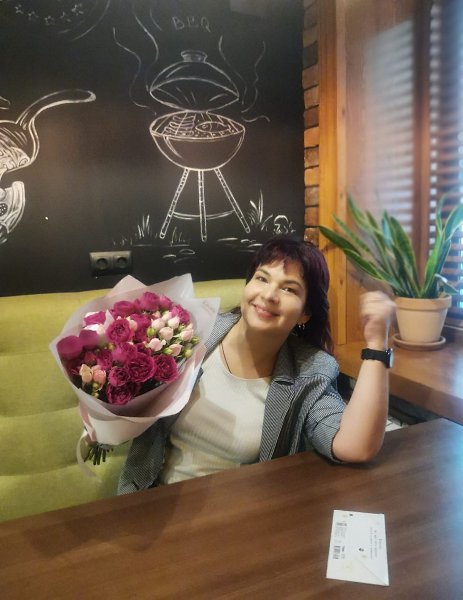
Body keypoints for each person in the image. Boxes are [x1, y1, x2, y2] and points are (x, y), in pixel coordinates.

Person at [118, 234, 395, 494]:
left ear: (305, 313)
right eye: (262, 278)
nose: (269, 294)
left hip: (243, 514)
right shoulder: (190, 334)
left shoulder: (310, 371)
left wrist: (376, 343)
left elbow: (354, 446)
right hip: (154, 501)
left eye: (289, 289)